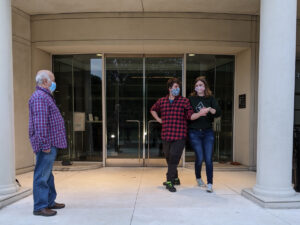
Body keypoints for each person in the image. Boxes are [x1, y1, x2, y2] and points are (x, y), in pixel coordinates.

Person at [150, 78, 209, 192]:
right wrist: (158, 119)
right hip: (166, 134)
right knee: (168, 157)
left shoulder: (184, 101)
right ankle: (176, 178)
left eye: (178, 87)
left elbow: (190, 116)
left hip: (179, 135)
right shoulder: (162, 101)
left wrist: (200, 114)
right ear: (170, 88)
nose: (178, 89)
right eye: (175, 87)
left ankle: (170, 181)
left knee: (174, 158)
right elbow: (153, 109)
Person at [29, 70, 67, 216]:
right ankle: (40, 207)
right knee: (42, 175)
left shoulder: (45, 96)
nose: (54, 83)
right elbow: (40, 124)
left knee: (48, 174)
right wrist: (45, 145)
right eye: (53, 80)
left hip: (50, 142)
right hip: (47, 144)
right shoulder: (40, 97)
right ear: (45, 81)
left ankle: (49, 201)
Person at [188, 76, 221, 193]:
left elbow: (218, 112)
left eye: (201, 85)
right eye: (196, 85)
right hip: (194, 132)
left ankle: (210, 183)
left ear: (205, 86)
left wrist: (210, 109)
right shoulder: (191, 99)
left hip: (208, 132)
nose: (198, 87)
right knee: (200, 157)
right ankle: (198, 177)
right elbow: (188, 115)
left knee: (208, 158)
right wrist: (200, 113)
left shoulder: (210, 98)